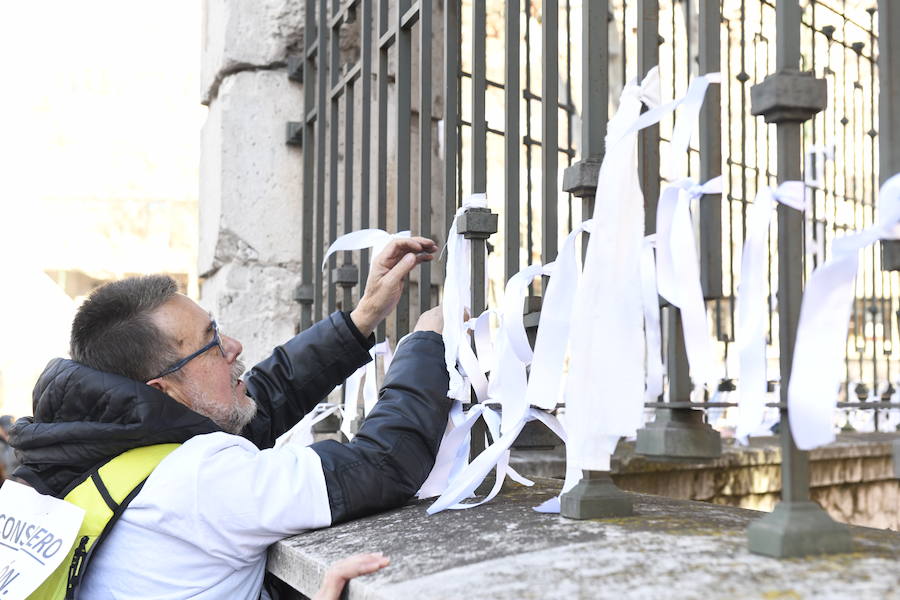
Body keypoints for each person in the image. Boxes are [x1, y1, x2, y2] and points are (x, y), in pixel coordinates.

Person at [9, 237, 450, 599]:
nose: (234, 346)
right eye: (211, 342)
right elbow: (383, 464)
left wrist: (362, 316)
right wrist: (427, 342)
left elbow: (258, 403)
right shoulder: (203, 476)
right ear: (162, 390)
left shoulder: (102, 449)